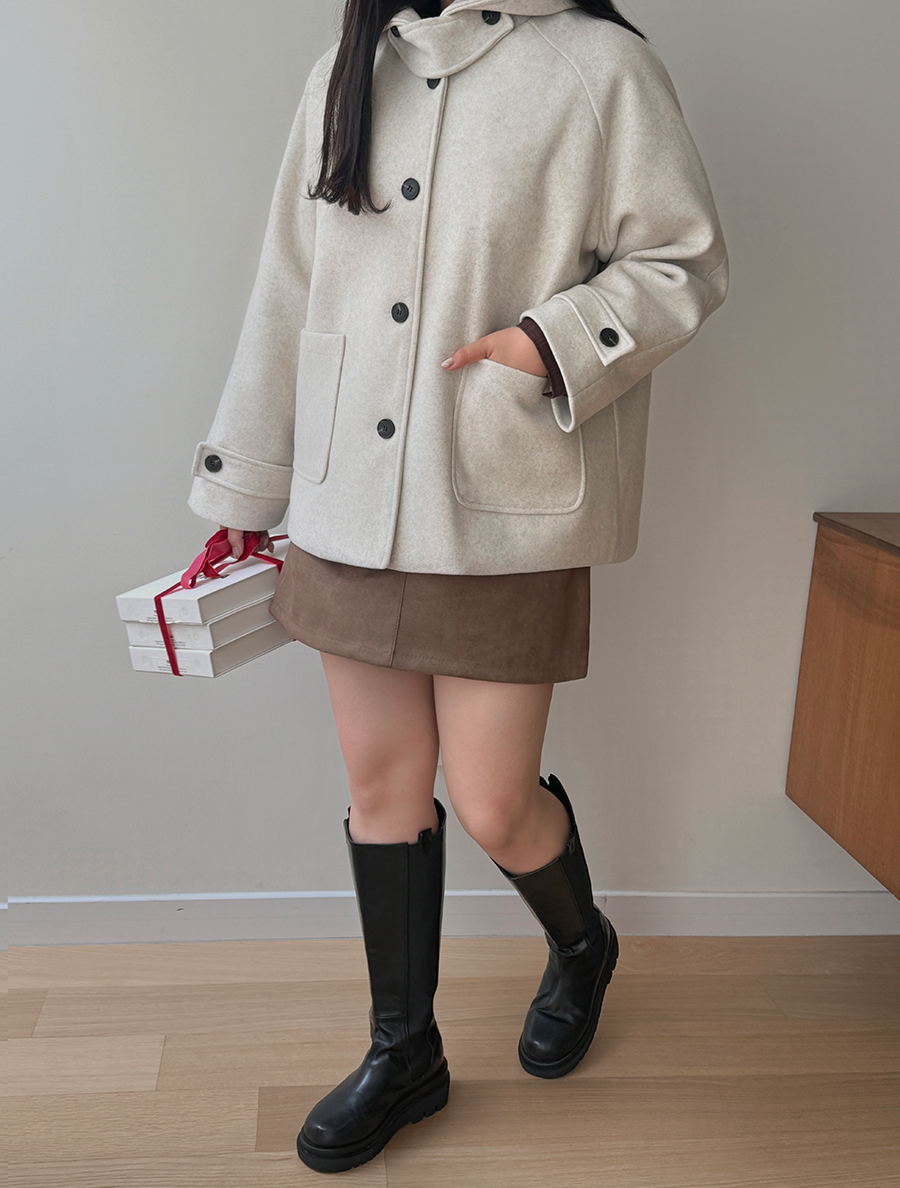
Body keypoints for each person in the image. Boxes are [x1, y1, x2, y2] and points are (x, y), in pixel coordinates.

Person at [187, 0, 727, 1173]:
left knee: (492, 801)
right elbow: (289, 285)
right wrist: (244, 486)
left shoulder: (599, 67)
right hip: (344, 502)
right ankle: (405, 1054)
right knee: (382, 789)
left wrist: (550, 341)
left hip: (497, 499)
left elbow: (684, 259)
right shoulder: (348, 72)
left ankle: (581, 947)